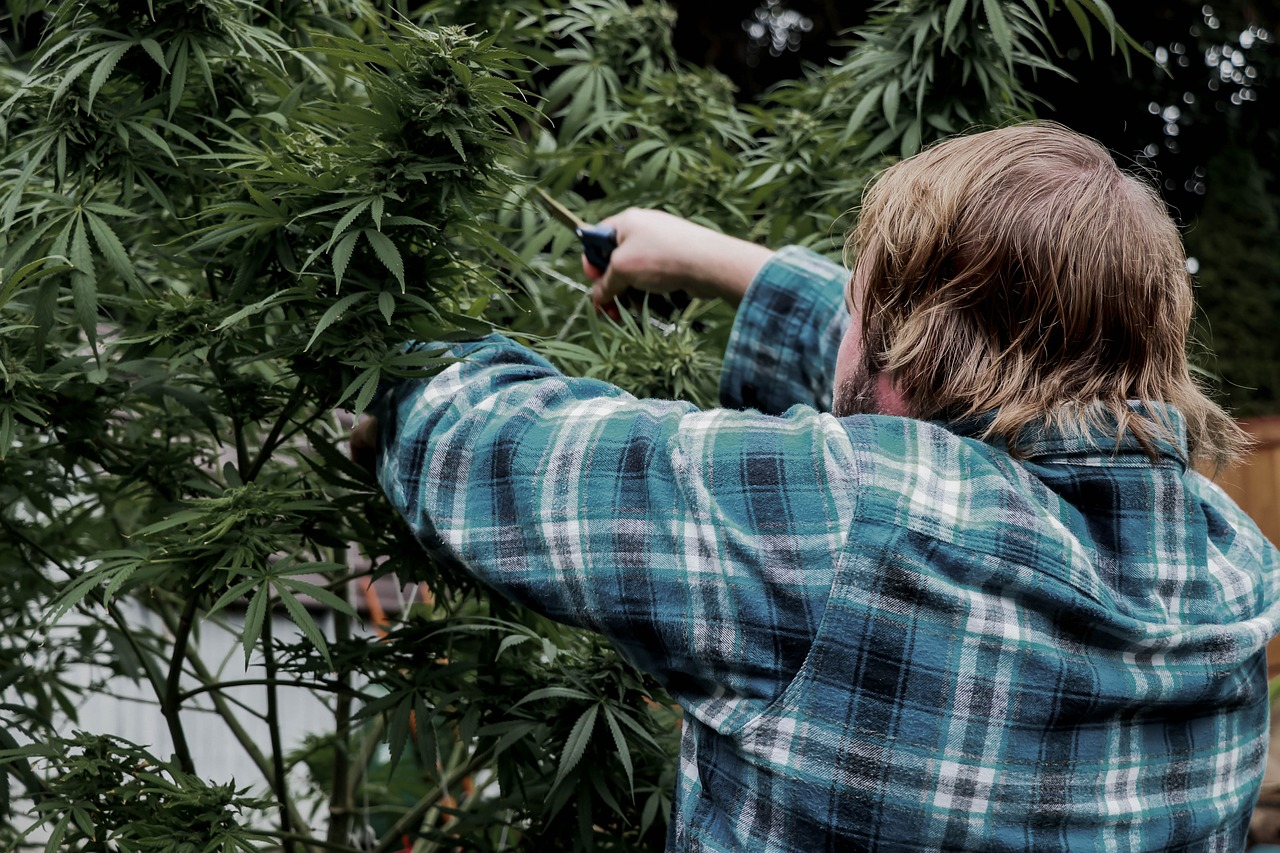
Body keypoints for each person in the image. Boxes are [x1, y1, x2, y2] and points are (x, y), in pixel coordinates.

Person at [351, 122, 1280, 851]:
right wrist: (710, 258)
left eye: (852, 303)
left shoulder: (852, 521)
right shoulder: (1226, 564)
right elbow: (945, 388)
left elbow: (490, 449)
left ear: (894, 347)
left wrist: (387, 375)